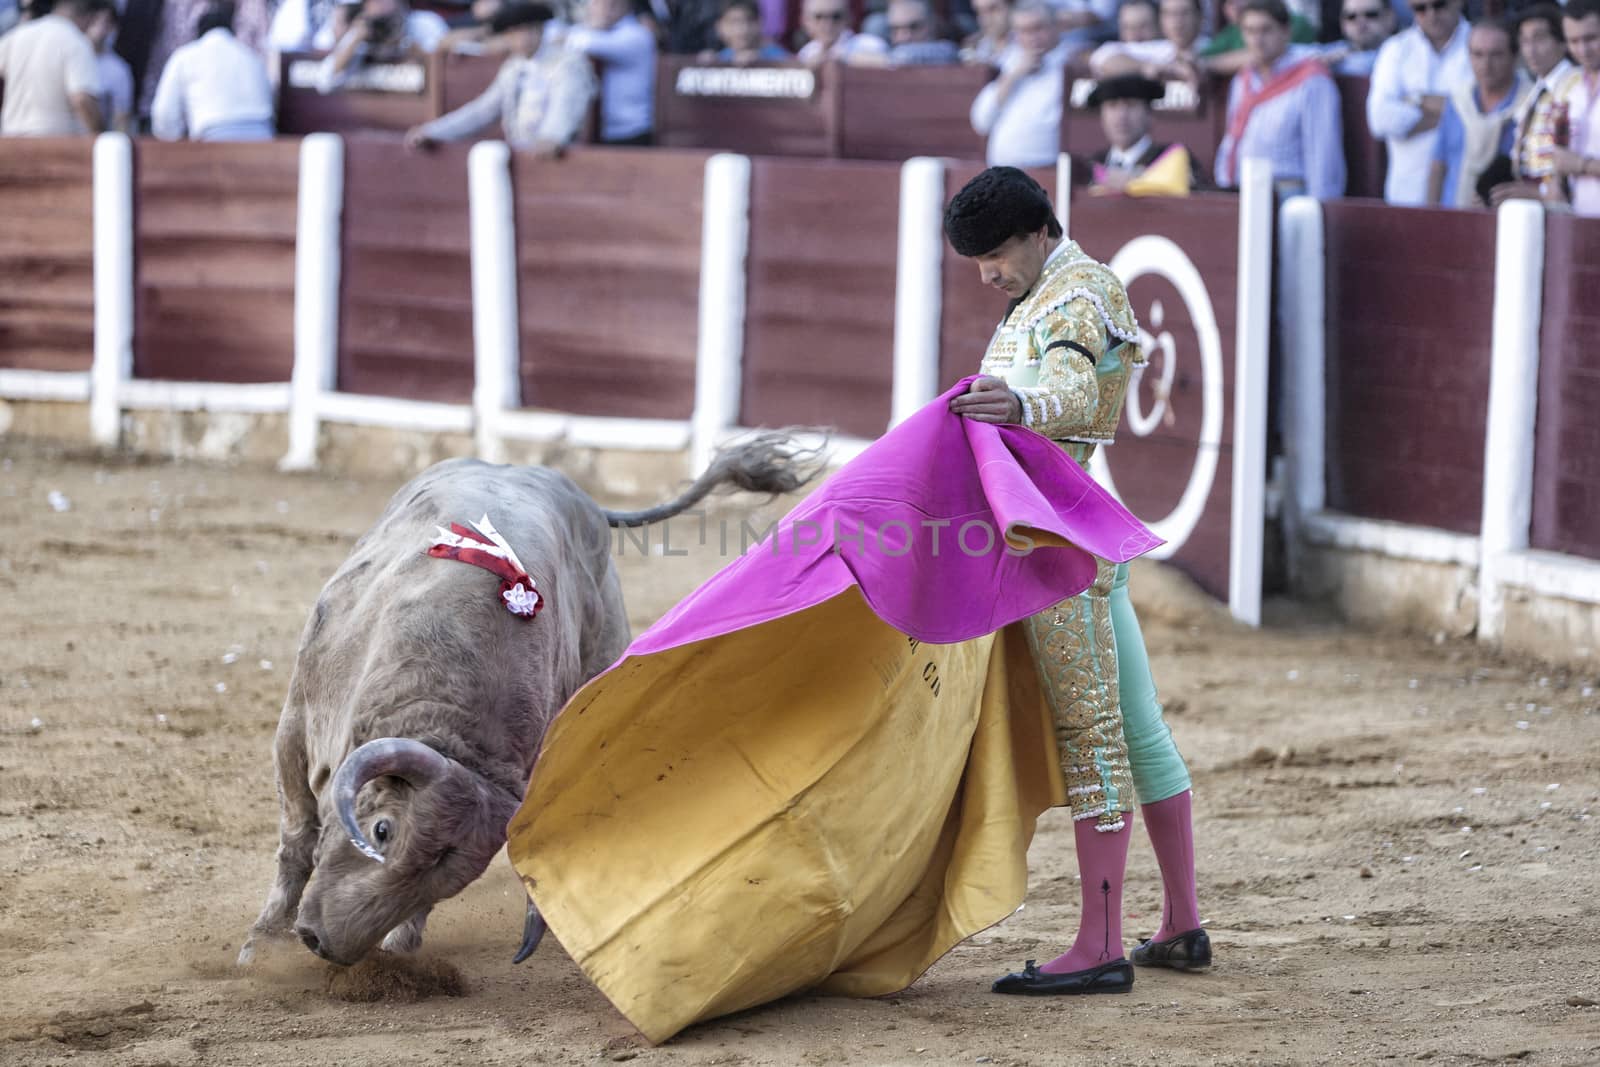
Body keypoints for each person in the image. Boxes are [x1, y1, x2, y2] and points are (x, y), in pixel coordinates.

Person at [942, 166, 1208, 996]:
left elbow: (1067, 383)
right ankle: (1181, 921)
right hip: (1078, 534)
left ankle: (1098, 945)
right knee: (1136, 728)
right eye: (975, 261)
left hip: (1056, 549)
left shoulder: (1074, 296)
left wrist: (1016, 405)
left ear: (1038, 230)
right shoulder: (1047, 293)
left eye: (994, 255)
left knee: (1094, 737)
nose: (987, 273)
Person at [405, 1, 595, 155]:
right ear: (506, 37)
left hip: (560, 158)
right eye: (514, 32)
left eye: (528, 29)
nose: (522, 38)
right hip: (525, 156)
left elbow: (565, 108)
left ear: (541, 30)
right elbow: (482, 111)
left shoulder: (568, 64)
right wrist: (433, 132)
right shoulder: (513, 67)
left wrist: (551, 138)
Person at [1214, 0, 1345, 199]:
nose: (1257, 40)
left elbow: (1323, 154)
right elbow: (1232, 138)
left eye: (1266, 30)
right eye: (1249, 31)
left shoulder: (1312, 81)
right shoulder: (1243, 80)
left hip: (1289, 194)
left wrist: (1320, 208)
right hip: (1241, 191)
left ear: (1286, 31)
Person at [1366, 0, 1469, 205]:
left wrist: (1413, 101)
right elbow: (1379, 119)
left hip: (1464, 194)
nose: (1431, 14)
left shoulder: (1480, 44)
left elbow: (1481, 115)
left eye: (1439, 5)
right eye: (1420, 9)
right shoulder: (1395, 49)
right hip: (1406, 193)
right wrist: (1453, 115)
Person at [1427, 19, 1528, 207]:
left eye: (1496, 55)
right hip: (1453, 214)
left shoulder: (1530, 104)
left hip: (1507, 220)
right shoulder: (1458, 101)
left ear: (1514, 56)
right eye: (1478, 54)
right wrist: (1429, 215)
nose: (1486, 64)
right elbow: (1438, 164)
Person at [150, 2, 275, 140]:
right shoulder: (252, 57)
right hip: (263, 137)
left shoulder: (185, 56)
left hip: (214, 139)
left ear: (198, 33)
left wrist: (175, 141)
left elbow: (164, 114)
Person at [970, 0, 1071, 166]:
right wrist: (1013, 76)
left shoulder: (1070, 64)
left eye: (1038, 28)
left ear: (1056, 26)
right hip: (1001, 169)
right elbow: (981, 121)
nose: (1032, 38)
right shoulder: (1009, 62)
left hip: (1048, 169)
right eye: (1023, 31)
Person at [1491, 3, 1574, 203]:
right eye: (1525, 40)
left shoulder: (1576, 87)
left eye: (1539, 38)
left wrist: (1542, 193)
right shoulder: (1534, 91)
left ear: (1563, 42)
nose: (1530, 49)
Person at [1078, 72, 1203, 191]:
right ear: (1102, 116)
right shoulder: (1092, 165)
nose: (1121, 116)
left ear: (1149, 115)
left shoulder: (1172, 159)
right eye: (1112, 106)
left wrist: (1138, 181)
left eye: (1131, 105)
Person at [0, 0, 104, 136]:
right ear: (88, 16)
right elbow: (82, 99)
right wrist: (100, 136)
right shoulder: (75, 41)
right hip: (55, 144)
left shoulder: (15, 36)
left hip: (12, 140)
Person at [564, 0, 656, 145]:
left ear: (626, 5)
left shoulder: (638, 35)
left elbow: (584, 42)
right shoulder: (591, 32)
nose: (605, 9)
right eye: (598, 4)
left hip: (632, 131)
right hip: (597, 130)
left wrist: (589, 27)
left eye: (612, 4)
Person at [315, 0, 448, 93]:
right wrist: (357, 35)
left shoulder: (425, 23)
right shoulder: (362, 36)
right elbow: (324, 81)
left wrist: (405, 45)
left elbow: (445, 65)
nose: (380, 4)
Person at [1549, 0, 1600, 216]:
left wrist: (1580, 165)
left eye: (1591, 38)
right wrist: (1556, 181)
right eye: (1574, 41)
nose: (1583, 49)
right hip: (1579, 220)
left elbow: (1573, 161)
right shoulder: (1571, 88)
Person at [1090, 0, 1205, 85]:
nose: (1177, 22)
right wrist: (1148, 67)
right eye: (1169, 14)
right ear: (1161, 19)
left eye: (1184, 13)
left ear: (1200, 17)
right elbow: (1102, 56)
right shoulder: (1159, 49)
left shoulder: (1210, 47)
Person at [85, 0, 132, 132]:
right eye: (94, 20)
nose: (99, 28)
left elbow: (121, 120)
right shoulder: (68, 57)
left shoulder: (118, 70)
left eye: (106, 22)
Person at [795, 0, 888, 64]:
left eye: (836, 16)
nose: (827, 23)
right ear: (806, 21)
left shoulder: (868, 44)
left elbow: (890, 63)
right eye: (819, 17)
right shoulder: (806, 52)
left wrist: (845, 58)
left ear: (849, 18)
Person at [702, 0, 791, 60]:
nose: (742, 29)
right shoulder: (719, 59)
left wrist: (763, 62)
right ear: (720, 27)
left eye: (749, 20)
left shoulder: (779, 58)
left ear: (760, 23)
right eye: (733, 22)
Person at [1326, 0, 1394, 75]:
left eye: (1370, 14)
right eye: (1351, 16)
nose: (1360, 22)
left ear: (1389, 18)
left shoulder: (1401, 53)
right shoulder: (1335, 51)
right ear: (1342, 22)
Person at [962, 0, 1012, 66]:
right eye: (979, 12)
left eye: (993, 9)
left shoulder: (1026, 43)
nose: (986, 19)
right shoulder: (975, 46)